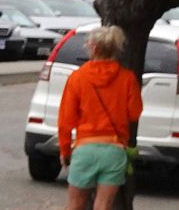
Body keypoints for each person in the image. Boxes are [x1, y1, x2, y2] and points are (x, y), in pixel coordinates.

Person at [57, 25, 144, 210]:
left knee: (74, 205)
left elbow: (66, 120)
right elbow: (135, 113)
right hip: (114, 149)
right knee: (104, 205)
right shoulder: (127, 79)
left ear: (94, 48)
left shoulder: (77, 78)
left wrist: (65, 151)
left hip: (85, 148)